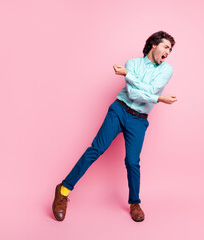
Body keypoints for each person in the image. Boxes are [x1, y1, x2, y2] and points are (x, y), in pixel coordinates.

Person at [52, 31, 177, 222]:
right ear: (154, 44)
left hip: (139, 119)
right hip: (119, 110)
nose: (168, 52)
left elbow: (150, 90)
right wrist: (158, 98)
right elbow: (134, 94)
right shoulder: (132, 64)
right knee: (96, 149)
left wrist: (130, 77)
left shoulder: (166, 69)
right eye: (166, 46)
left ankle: (134, 202)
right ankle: (63, 189)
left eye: (170, 49)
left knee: (132, 162)